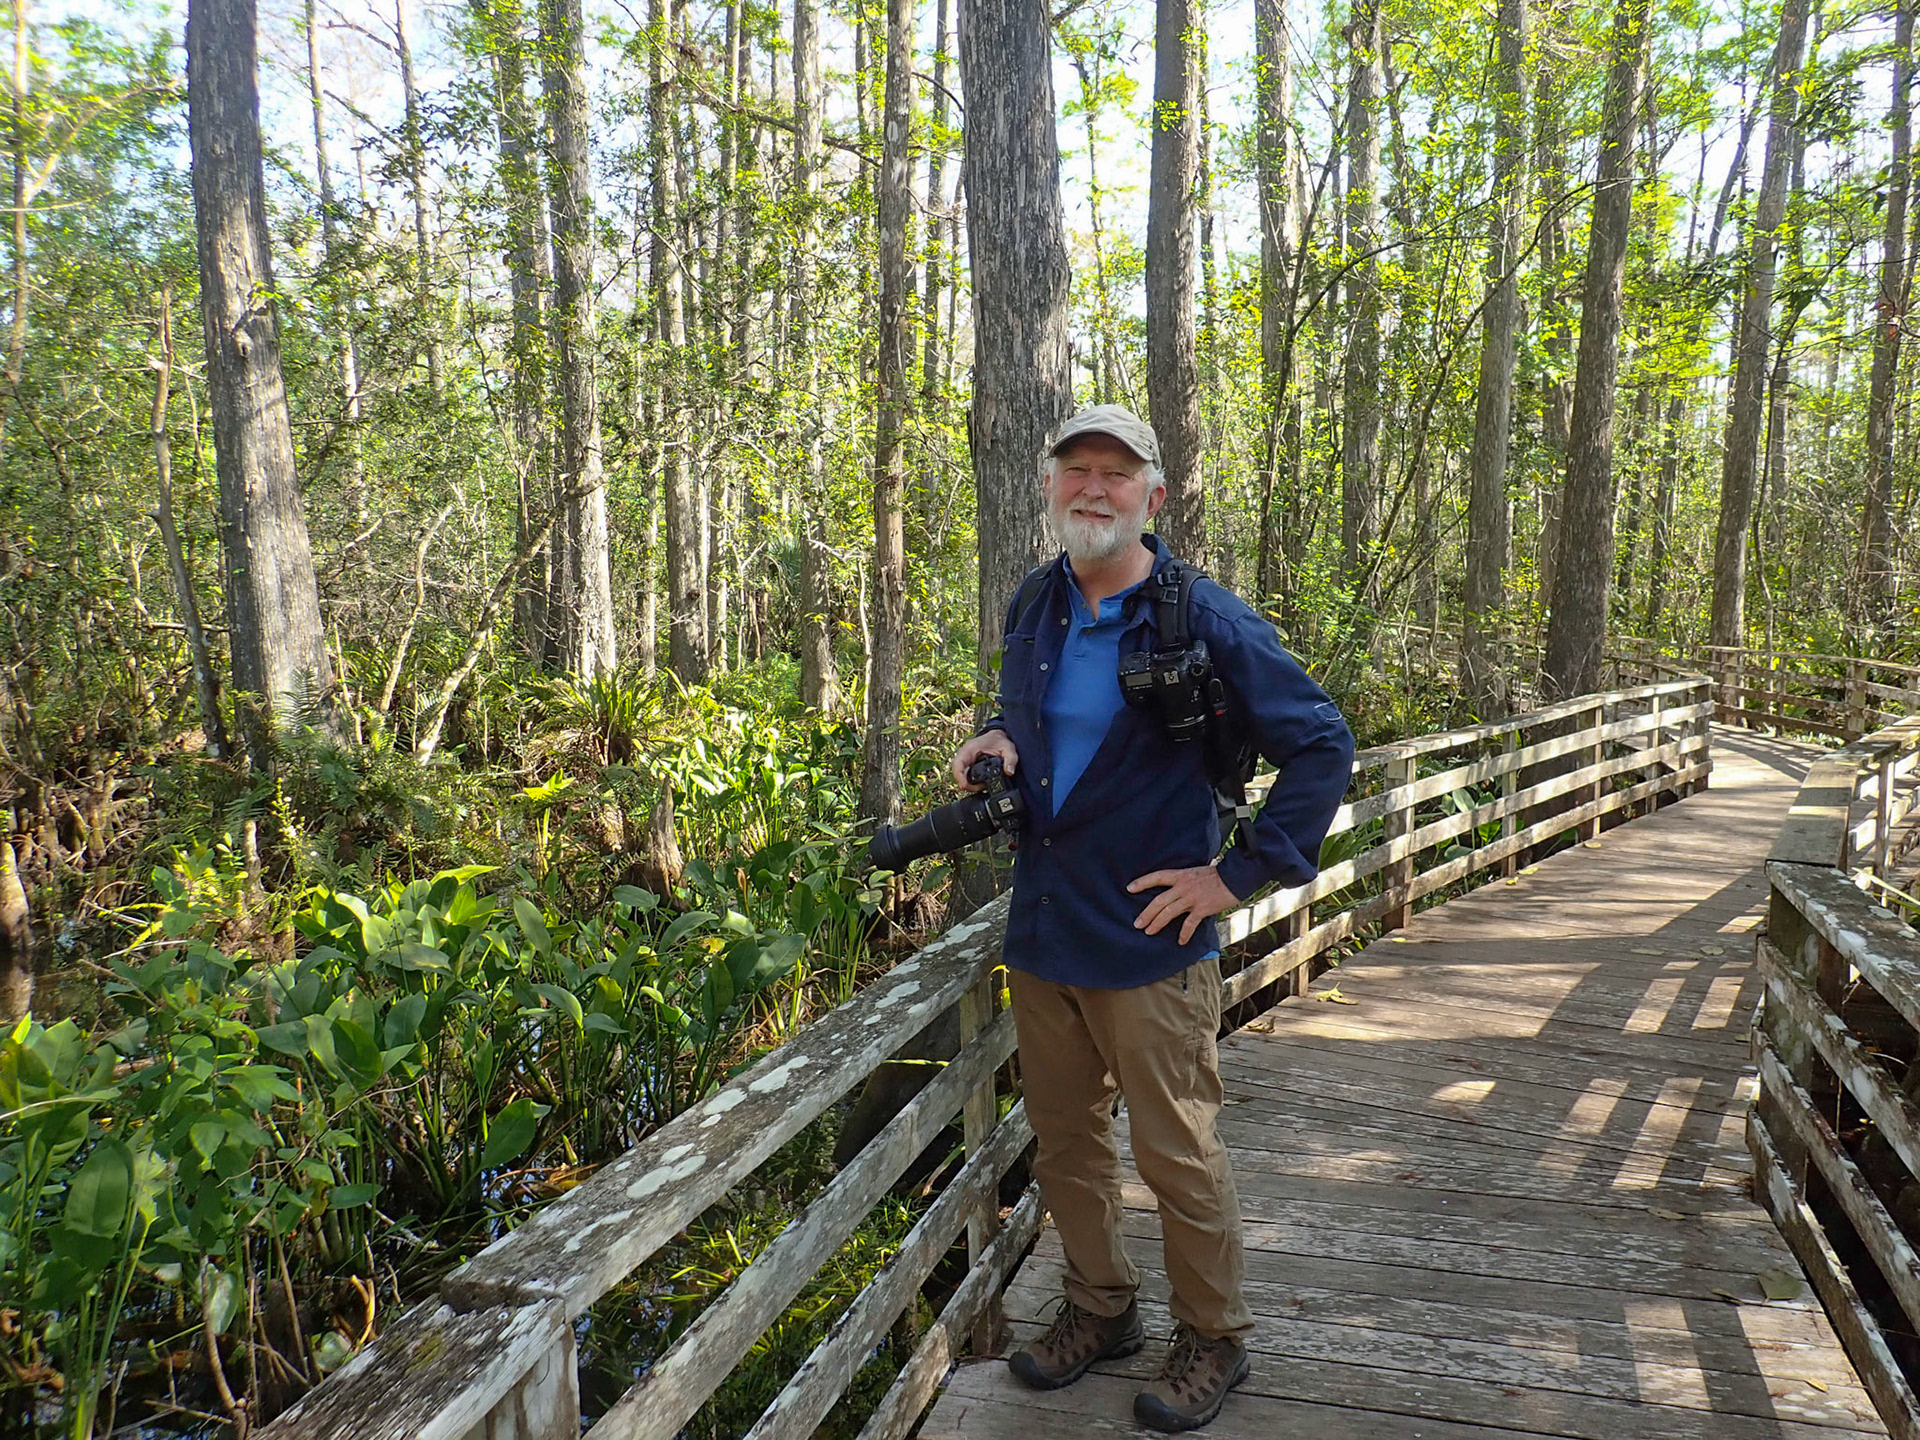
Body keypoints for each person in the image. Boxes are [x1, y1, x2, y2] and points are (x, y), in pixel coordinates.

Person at [950, 404, 1354, 1432]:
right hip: (1045, 929)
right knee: (1066, 1142)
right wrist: (998, 737)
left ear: (1154, 497)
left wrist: (1238, 875)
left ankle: (1213, 1337)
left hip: (1154, 941)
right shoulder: (1035, 603)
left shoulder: (1203, 619)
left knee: (1175, 1151)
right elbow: (1033, 713)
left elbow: (1321, 744)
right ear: (1050, 488)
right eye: (1075, 470)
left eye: (1116, 474)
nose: (1093, 487)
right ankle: (1100, 1308)